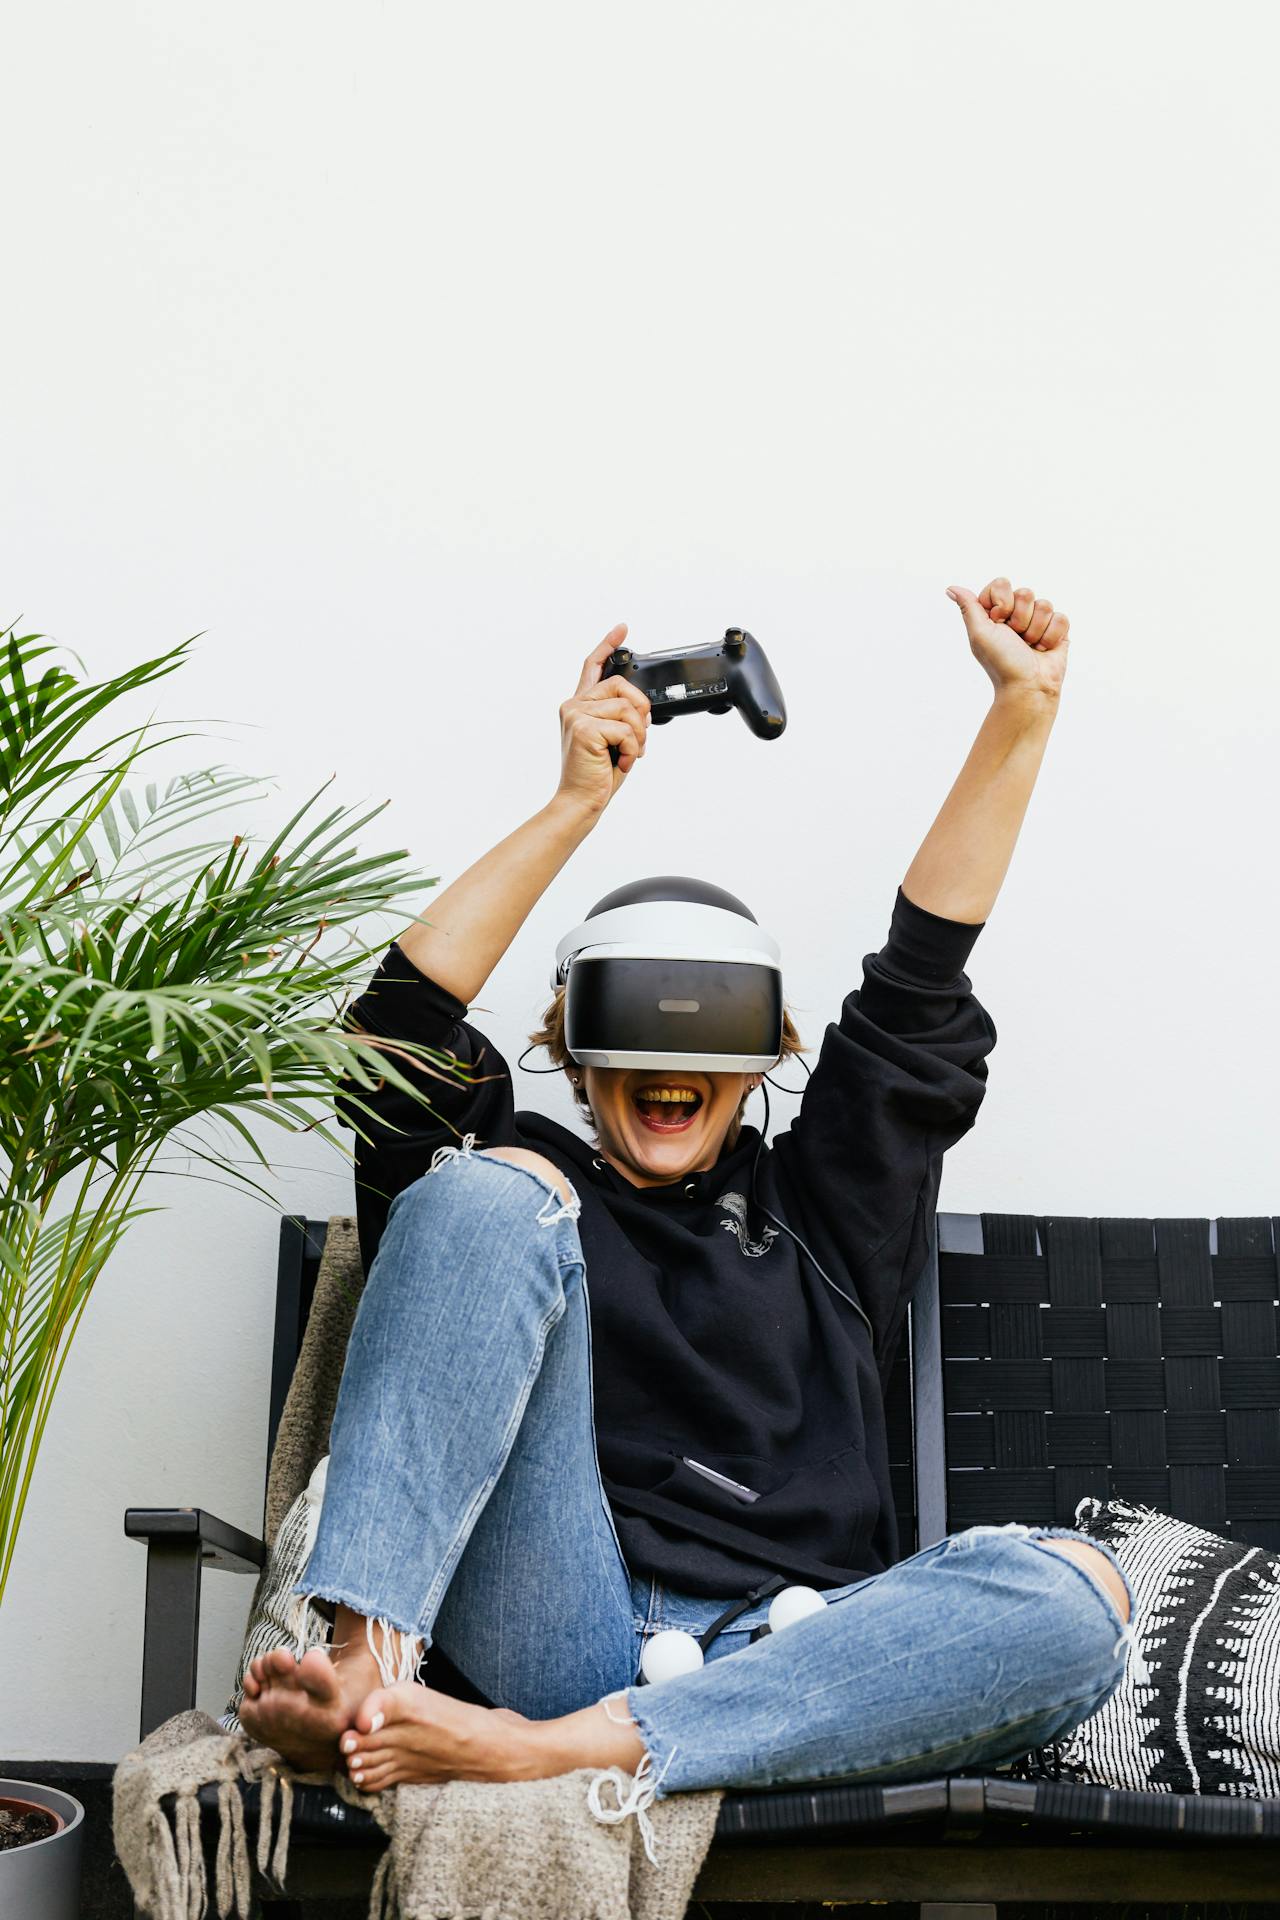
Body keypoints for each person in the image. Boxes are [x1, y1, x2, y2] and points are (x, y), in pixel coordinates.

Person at [241, 580, 1134, 1827]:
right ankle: (370, 1676)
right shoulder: (524, 1190)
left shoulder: (822, 1207)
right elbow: (394, 1034)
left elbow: (918, 978)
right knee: (482, 1189)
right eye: (634, 1015)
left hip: (797, 1657)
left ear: (762, 1054)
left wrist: (1020, 711)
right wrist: (575, 802)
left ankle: (552, 1754)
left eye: (711, 1020)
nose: (672, 1055)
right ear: (573, 1047)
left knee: (1077, 1594)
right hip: (560, 1621)